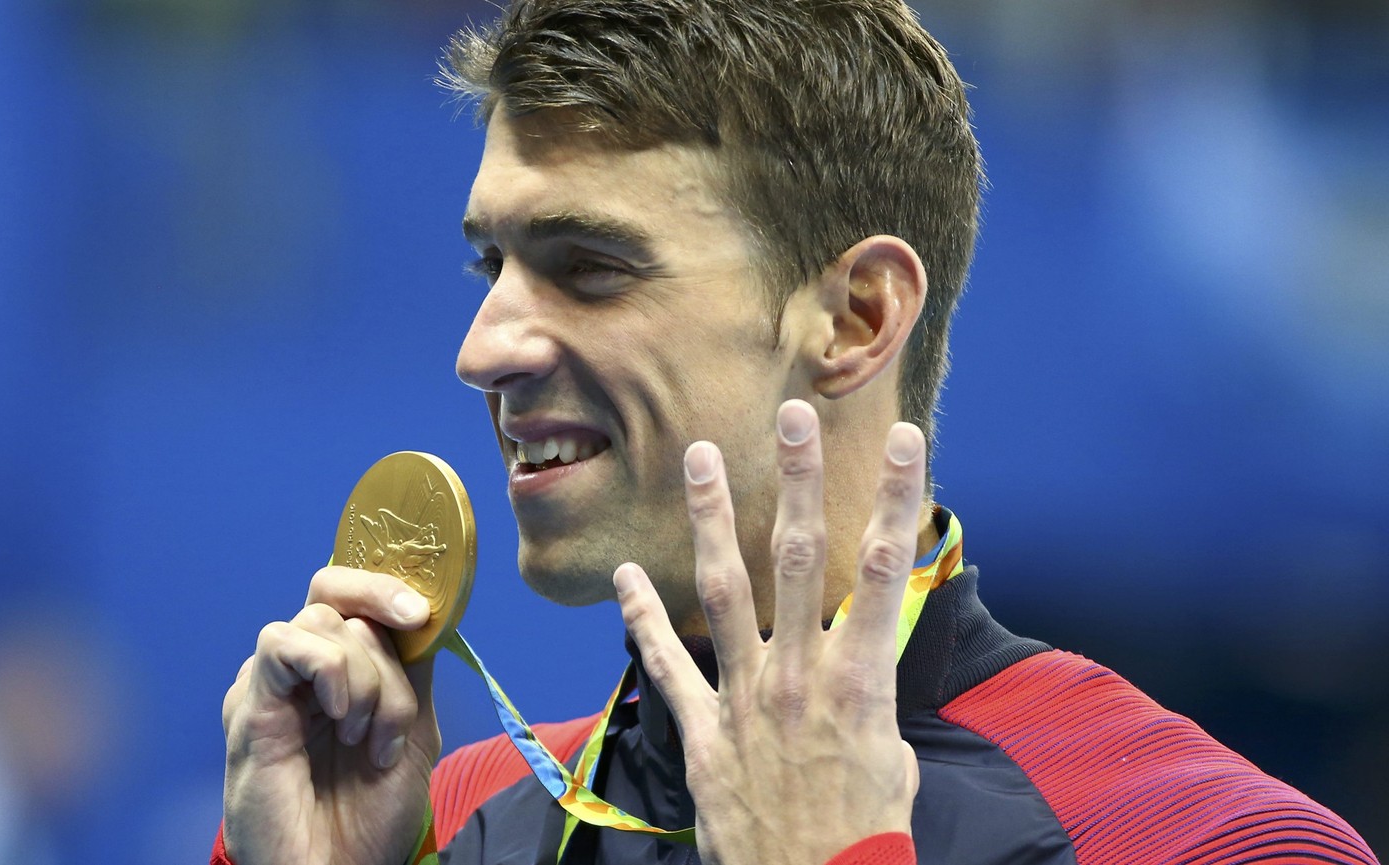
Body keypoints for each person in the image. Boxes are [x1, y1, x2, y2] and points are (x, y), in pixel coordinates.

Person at [214, 2, 1379, 864]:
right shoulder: (448, 817)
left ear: (857, 318)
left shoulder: (1206, 839)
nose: (485, 347)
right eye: (494, 263)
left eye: (591, 269)